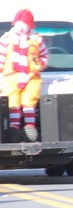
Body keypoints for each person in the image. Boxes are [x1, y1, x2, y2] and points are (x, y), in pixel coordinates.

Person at [0, 9, 48, 141]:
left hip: (31, 77)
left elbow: (44, 57)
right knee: (12, 104)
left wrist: (38, 66)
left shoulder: (36, 39)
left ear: (30, 26)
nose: (21, 28)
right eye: (19, 24)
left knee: (29, 103)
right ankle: (14, 129)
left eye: (25, 25)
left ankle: (29, 128)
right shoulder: (6, 39)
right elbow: (1, 58)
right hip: (10, 77)